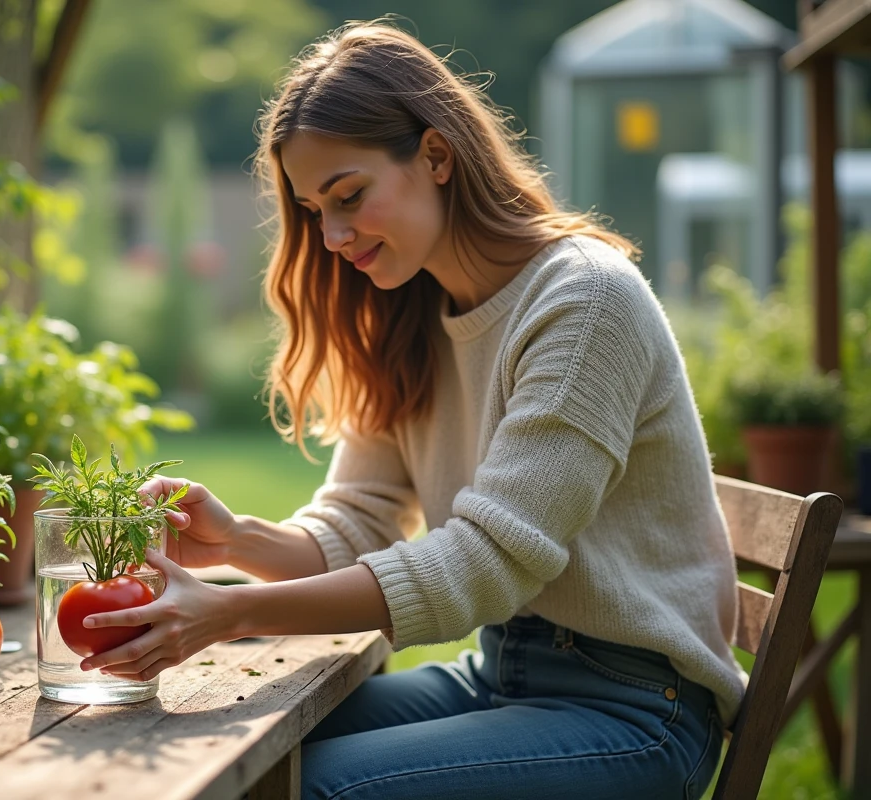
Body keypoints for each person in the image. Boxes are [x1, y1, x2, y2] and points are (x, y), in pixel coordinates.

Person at [76, 21, 744, 799]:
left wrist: (229, 614)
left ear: (435, 155)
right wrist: (238, 539)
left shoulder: (585, 301)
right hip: (504, 676)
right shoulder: (413, 311)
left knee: (305, 788)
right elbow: (358, 523)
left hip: (637, 711)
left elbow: (483, 568)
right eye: (313, 209)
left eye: (348, 196)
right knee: (220, 748)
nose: (330, 235)